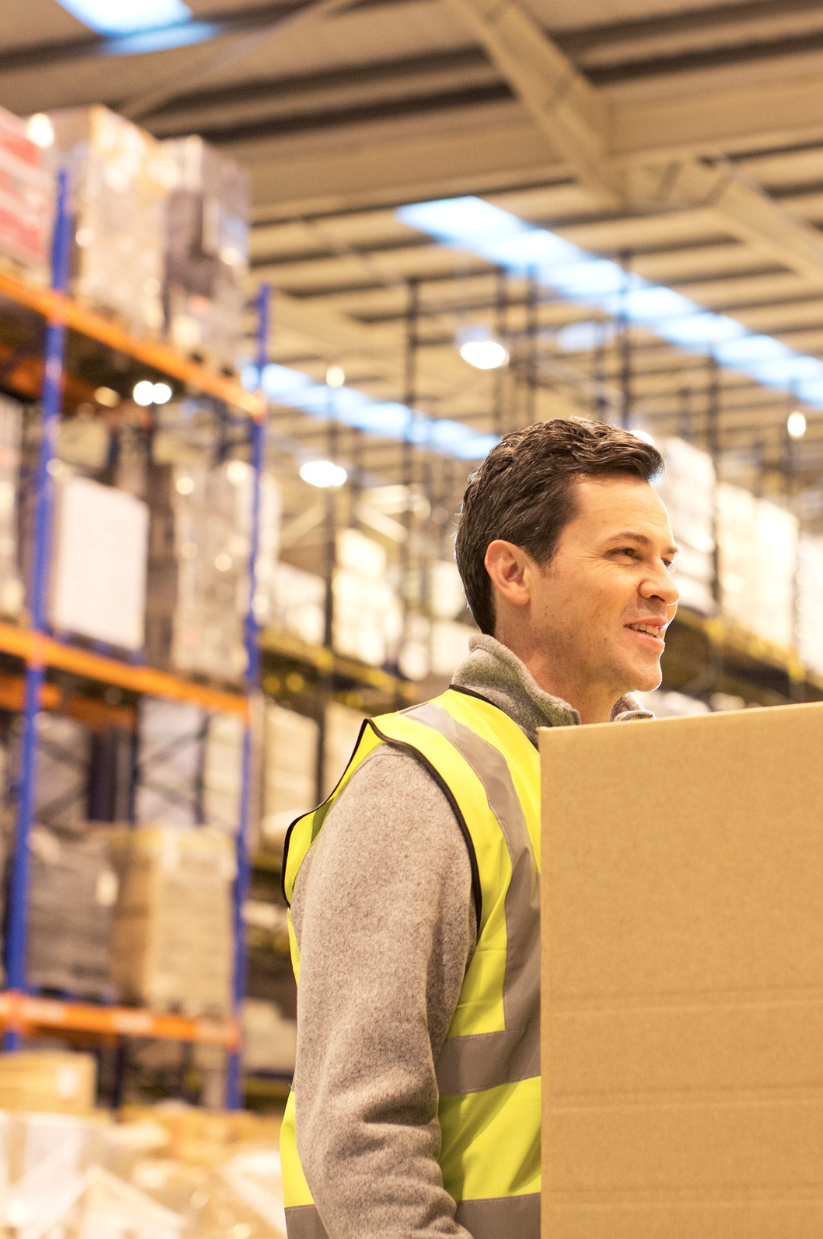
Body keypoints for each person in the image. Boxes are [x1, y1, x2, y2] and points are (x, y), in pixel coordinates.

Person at [279, 418, 680, 1239]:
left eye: (667, 562)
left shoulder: (659, 789)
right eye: (626, 555)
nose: (664, 588)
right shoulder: (420, 785)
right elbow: (359, 1129)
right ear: (514, 572)